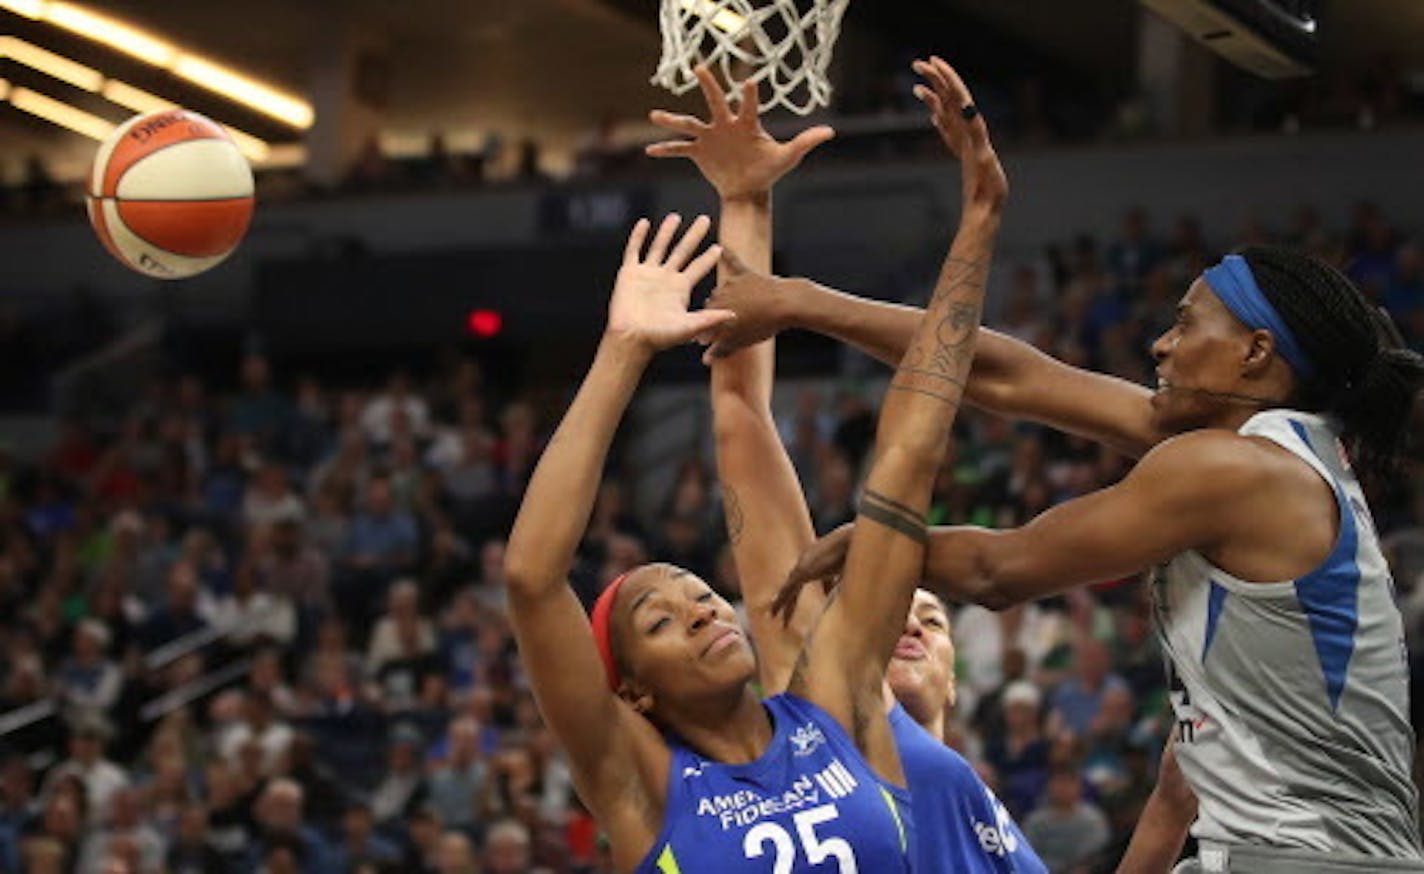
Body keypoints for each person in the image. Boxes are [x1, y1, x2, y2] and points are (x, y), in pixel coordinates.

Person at [729, 210, 1424, 871]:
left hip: (1302, 859)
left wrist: (871, 542)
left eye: (1185, 325)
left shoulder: (1235, 471)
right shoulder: (1276, 453)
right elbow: (1012, 377)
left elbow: (998, 572)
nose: (1161, 344)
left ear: (1255, 352)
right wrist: (801, 303)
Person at [502, 55, 1001, 870]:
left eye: (698, 595)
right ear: (633, 691)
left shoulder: (836, 707)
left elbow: (906, 455)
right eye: (661, 622)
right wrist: (623, 352)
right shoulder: (641, 783)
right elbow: (530, 578)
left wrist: (978, 219)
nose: (700, 609)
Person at [648, 61, 1042, 872]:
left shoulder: (980, 808)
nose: (907, 621)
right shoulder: (831, 713)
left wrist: (1169, 814)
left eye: (932, 619)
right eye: (901, 602)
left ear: (961, 678)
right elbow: (741, 417)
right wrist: (746, 200)